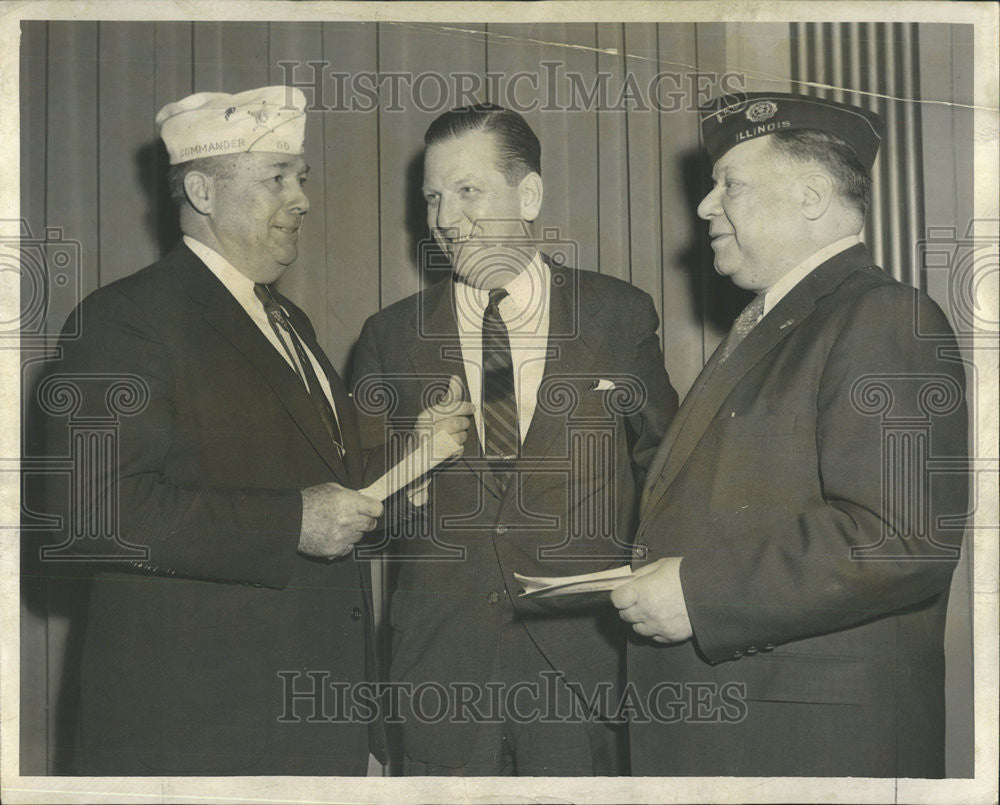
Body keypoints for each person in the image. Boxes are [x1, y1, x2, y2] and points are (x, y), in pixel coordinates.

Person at [32, 86, 472, 775]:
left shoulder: (287, 324)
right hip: (196, 741)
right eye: (276, 179)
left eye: (300, 178)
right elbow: (88, 513)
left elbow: (323, 493)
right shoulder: (124, 319)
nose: (301, 199)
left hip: (306, 733)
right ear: (202, 191)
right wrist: (291, 522)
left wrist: (414, 461)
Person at [612, 92, 969, 777]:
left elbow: (901, 538)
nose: (705, 206)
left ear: (810, 197)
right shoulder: (778, 322)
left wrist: (697, 593)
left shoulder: (883, 315)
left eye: (731, 185)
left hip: (807, 747)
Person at [352, 103, 678, 776]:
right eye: (434, 198)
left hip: (583, 673)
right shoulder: (389, 336)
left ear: (528, 194)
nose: (445, 219)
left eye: (468, 192)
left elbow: (670, 476)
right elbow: (353, 517)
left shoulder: (618, 315)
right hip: (441, 681)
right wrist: (409, 468)